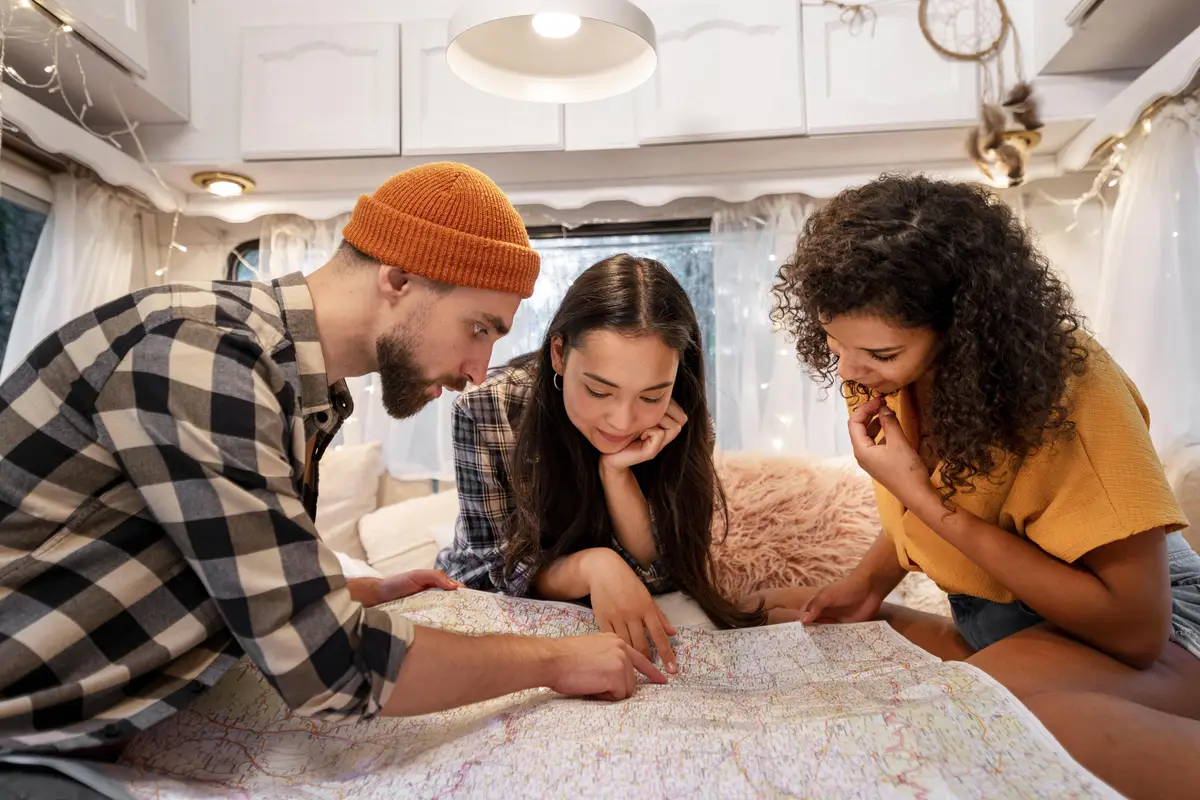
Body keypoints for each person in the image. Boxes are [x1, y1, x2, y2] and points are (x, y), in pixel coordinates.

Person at [0, 164, 665, 791]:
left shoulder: (299, 387)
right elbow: (328, 667)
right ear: (399, 278)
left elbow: (184, 545)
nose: (477, 369)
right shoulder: (201, 354)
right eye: (477, 327)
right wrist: (554, 663)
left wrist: (343, 587)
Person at [747, 174, 1200, 800]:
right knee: (773, 609)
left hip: (1157, 632)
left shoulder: (1071, 390)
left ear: (961, 332)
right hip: (1000, 614)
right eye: (831, 340)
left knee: (954, 727)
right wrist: (865, 583)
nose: (848, 370)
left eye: (878, 352)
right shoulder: (884, 368)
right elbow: (967, 493)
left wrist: (928, 503)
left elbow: (1136, 629)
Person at [437, 254, 760, 674]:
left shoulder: (681, 425)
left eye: (651, 396)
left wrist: (616, 472)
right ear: (558, 353)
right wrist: (594, 565)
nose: (623, 421)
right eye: (599, 391)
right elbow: (493, 569)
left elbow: (665, 573)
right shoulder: (487, 407)